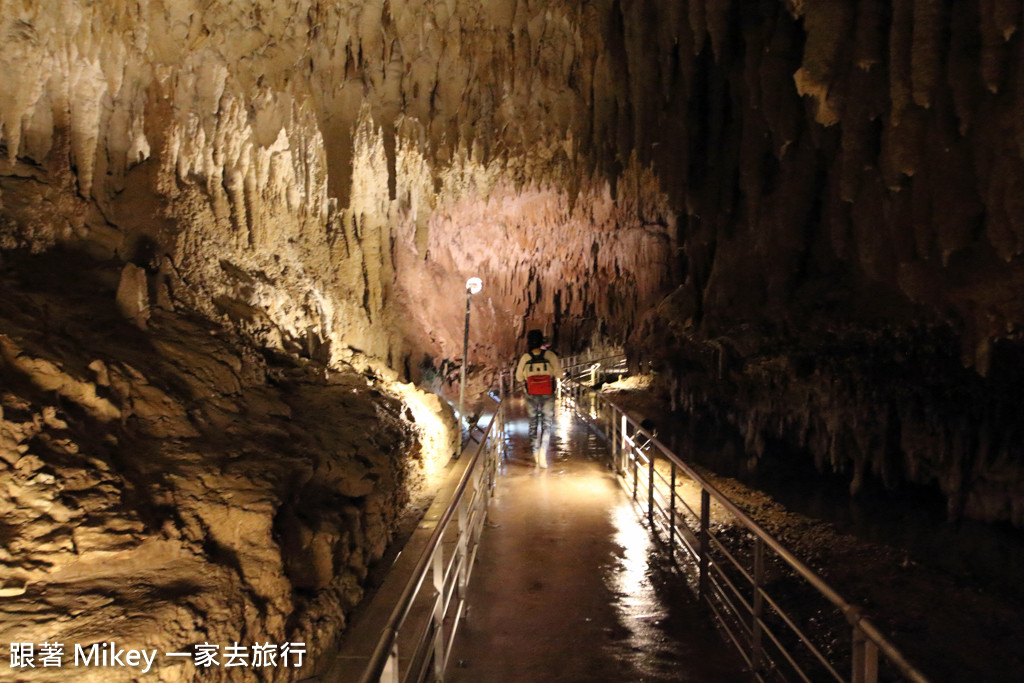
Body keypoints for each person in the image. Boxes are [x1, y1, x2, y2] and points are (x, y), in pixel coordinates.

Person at [514, 329, 563, 466]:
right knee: (547, 424)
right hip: (547, 393)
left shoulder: (526, 357)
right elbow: (558, 374)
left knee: (533, 423)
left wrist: (528, 376)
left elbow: (518, 377)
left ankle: (535, 453)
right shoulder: (550, 355)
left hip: (531, 394)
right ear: (542, 340)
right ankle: (543, 451)